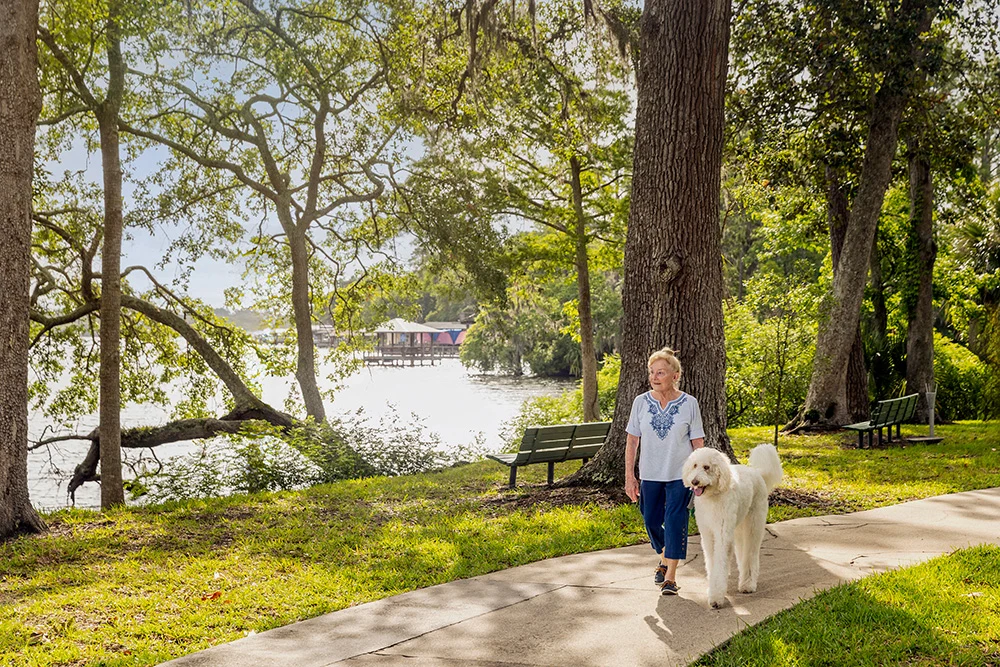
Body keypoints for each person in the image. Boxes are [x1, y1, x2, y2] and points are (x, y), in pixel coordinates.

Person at [625, 347, 705, 595]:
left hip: (679, 476)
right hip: (649, 473)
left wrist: (698, 477)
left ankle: (670, 576)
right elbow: (632, 441)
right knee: (650, 519)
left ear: (675, 375)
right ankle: (663, 557)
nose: (654, 377)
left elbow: (698, 443)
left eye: (661, 372)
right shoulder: (640, 402)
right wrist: (630, 476)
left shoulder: (689, 403)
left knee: (674, 521)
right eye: (652, 372)